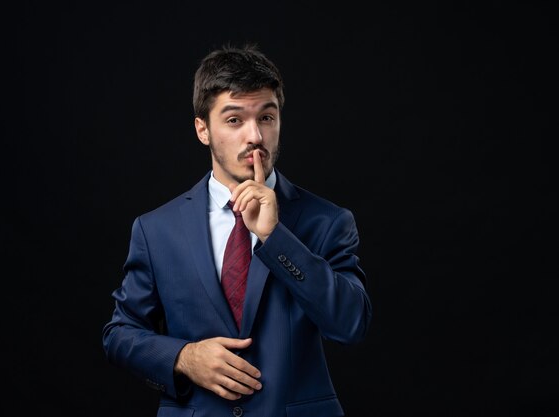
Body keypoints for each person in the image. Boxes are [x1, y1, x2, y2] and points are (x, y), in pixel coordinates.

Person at [102, 43, 372, 417]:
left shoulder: (326, 221)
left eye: (266, 117)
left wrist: (275, 238)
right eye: (234, 120)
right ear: (203, 129)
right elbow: (119, 335)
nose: (256, 137)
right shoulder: (156, 230)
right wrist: (185, 357)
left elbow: (350, 324)